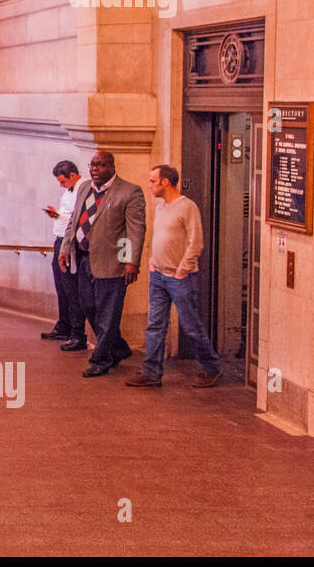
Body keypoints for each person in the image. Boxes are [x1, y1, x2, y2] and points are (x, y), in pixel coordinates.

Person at [126, 165, 220, 388]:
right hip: (158, 275)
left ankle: (210, 367)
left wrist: (181, 271)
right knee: (155, 325)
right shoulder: (160, 207)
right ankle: (151, 372)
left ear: (165, 182)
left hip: (180, 279)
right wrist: (151, 263)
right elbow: (157, 236)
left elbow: (195, 242)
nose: (149, 185)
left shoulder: (188, 207)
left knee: (190, 325)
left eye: (152, 181)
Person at [59, 150, 146, 378]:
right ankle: (118, 348)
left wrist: (131, 261)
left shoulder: (129, 192)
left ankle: (101, 359)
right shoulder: (86, 187)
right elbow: (73, 220)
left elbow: (135, 231)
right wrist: (65, 247)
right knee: (87, 306)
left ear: (112, 166)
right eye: (93, 164)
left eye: (101, 165)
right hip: (84, 258)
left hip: (112, 263)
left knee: (108, 313)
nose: (95, 169)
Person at [41, 161, 82, 340]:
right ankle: (63, 324)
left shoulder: (82, 190)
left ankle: (76, 330)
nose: (61, 185)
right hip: (59, 239)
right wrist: (56, 214)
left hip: (69, 242)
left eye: (63, 181)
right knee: (61, 286)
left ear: (73, 175)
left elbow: (76, 217)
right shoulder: (69, 191)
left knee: (70, 288)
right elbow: (67, 215)